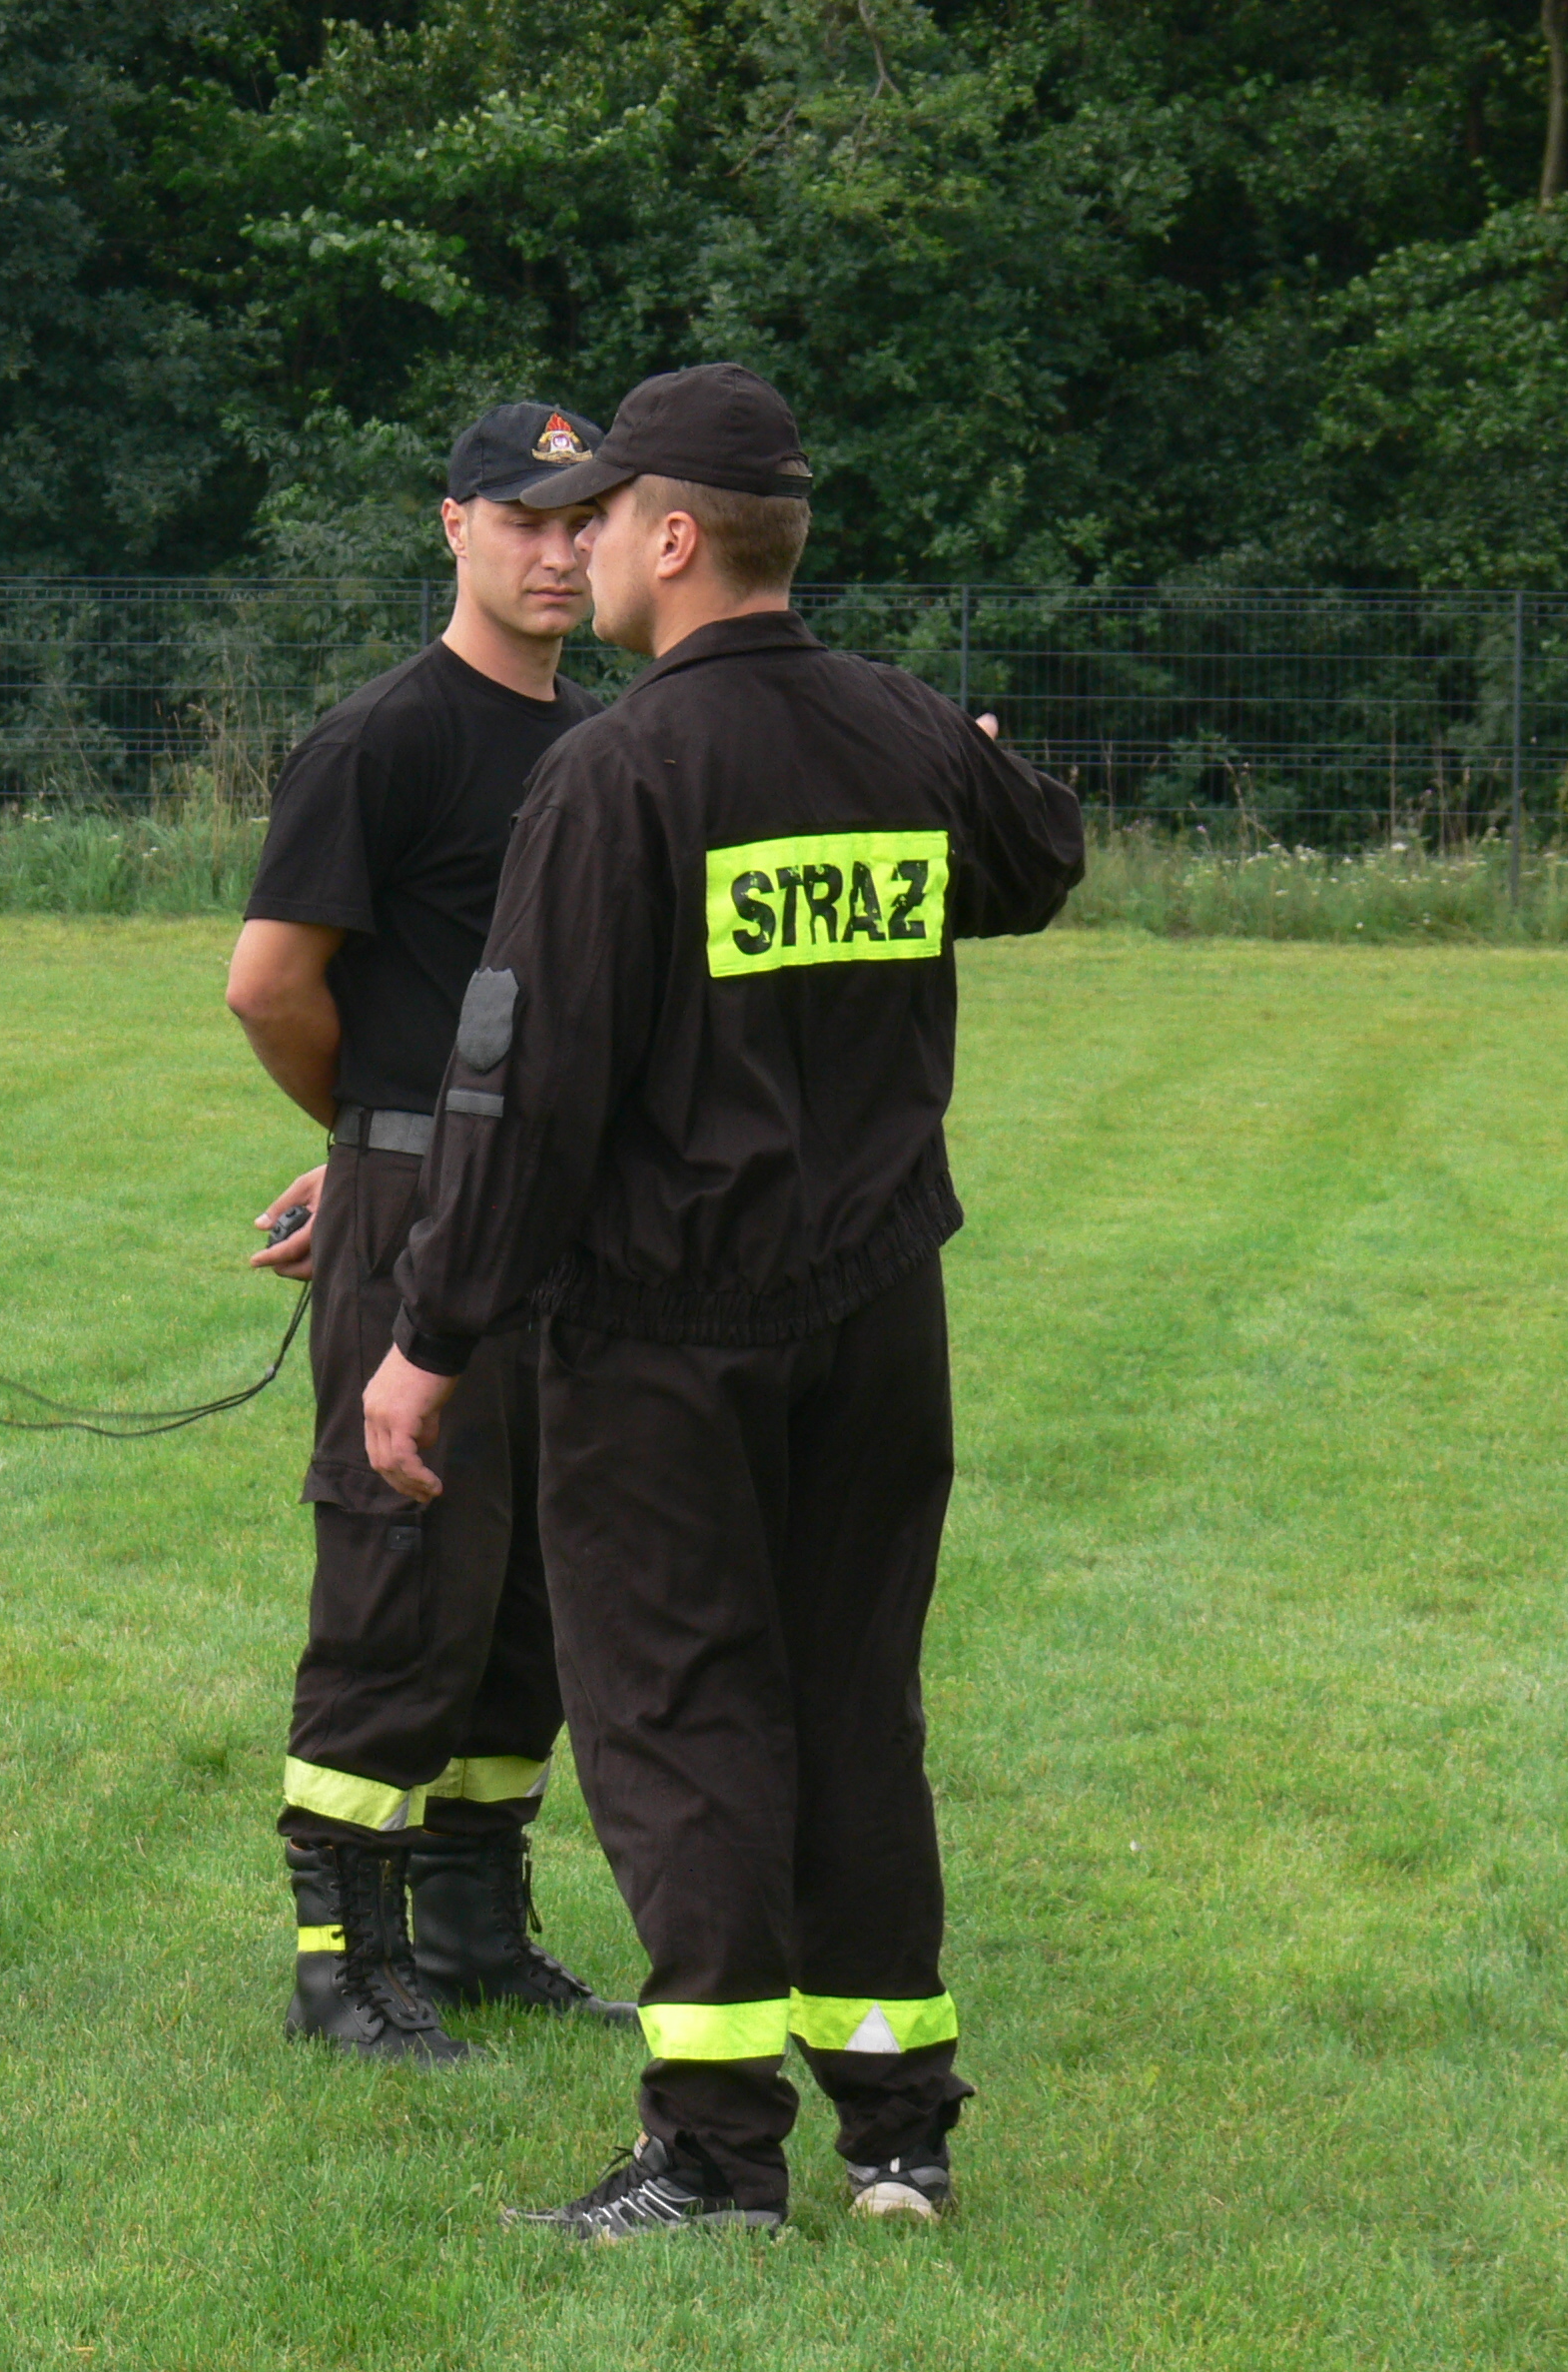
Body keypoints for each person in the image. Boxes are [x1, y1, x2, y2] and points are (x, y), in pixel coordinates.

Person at [365, 363, 1084, 2235]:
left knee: (681, 1713)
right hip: (877, 1312)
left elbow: (524, 1095)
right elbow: (1038, 860)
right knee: (853, 1697)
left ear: (675, 539)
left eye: (604, 514)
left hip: (665, 1335)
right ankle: (900, 2132)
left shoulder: (617, 773)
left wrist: (430, 1337)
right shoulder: (904, 733)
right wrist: (980, 760)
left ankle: (710, 2154)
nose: (582, 543)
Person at [227, 401, 638, 2059]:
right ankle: (344, 1960)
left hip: (556, 1213)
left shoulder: (600, 740)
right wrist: (378, 1138)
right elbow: (270, 985)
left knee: (526, 1578)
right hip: (422, 1200)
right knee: (398, 1565)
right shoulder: (382, 741)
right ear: (454, 526)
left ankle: (472, 1931)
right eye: (527, 520)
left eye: (585, 523)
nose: (560, 553)